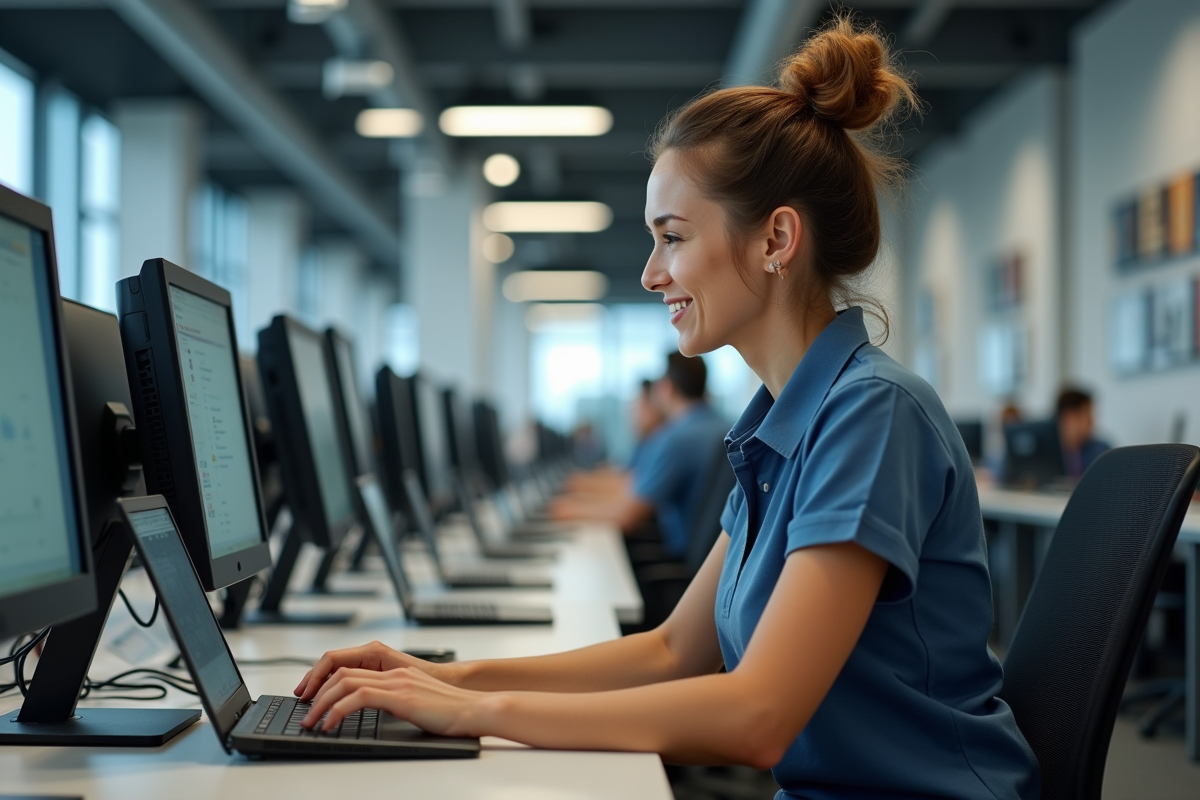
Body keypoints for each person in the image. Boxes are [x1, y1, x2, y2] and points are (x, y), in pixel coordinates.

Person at [292, 18, 1039, 799]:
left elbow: (759, 715)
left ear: (777, 238)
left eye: (672, 238)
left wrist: (475, 711)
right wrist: (442, 677)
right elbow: (672, 651)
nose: (651, 276)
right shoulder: (782, 422)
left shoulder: (870, 415)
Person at [548, 351, 728, 559]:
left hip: (679, 559)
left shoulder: (677, 438)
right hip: (715, 565)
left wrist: (566, 510)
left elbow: (626, 515)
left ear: (666, 388)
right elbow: (631, 483)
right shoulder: (724, 428)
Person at [1056, 386, 1111, 481]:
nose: (1092, 422)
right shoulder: (1049, 449)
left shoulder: (1101, 451)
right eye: (1088, 415)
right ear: (1069, 418)